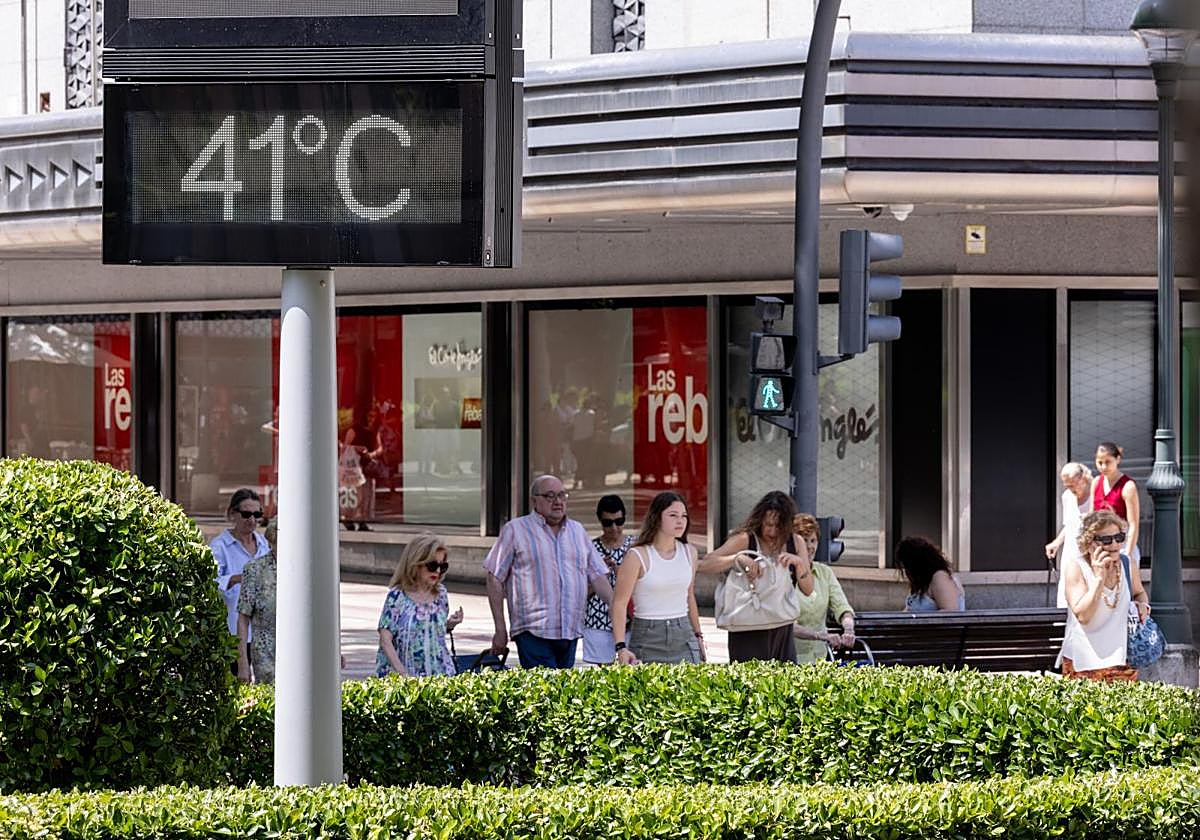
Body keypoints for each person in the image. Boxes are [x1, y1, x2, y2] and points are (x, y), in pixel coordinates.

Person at [484, 475, 615, 669]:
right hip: (533, 630)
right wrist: (500, 629)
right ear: (534, 500)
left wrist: (616, 606)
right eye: (550, 496)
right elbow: (494, 576)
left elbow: (597, 575)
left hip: (569, 631)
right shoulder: (516, 530)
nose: (558, 502)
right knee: (546, 694)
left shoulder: (577, 531)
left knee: (561, 695)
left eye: (562, 495)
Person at [697, 490, 808, 663]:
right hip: (746, 625)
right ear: (759, 520)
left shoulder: (796, 542)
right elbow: (705, 564)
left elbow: (808, 589)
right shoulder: (745, 539)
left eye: (777, 526)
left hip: (782, 626)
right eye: (767, 524)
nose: (771, 531)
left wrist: (800, 563)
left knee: (786, 685)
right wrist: (737, 558)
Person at [612, 492, 704, 665]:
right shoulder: (637, 556)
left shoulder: (689, 552)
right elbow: (619, 603)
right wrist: (621, 647)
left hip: (683, 633)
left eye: (684, 516)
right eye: (673, 515)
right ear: (657, 517)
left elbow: (689, 595)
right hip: (647, 635)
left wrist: (698, 635)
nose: (680, 520)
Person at [1057, 509, 1149, 681]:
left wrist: (1143, 605)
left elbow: (1139, 593)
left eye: (1119, 538)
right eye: (1106, 540)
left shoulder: (1128, 564)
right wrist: (1099, 579)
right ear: (1089, 542)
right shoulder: (1076, 568)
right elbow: (1084, 616)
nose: (1114, 545)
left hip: (1122, 661)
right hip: (1083, 662)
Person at [376, 533, 464, 677]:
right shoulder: (397, 596)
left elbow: (430, 632)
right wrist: (403, 675)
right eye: (432, 565)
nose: (437, 571)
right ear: (415, 564)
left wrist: (449, 625)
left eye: (442, 566)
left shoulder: (441, 594)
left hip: (439, 676)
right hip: (405, 678)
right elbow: (385, 640)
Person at [211, 489, 271, 671]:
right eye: (246, 514)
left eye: (257, 514)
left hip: (263, 630)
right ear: (232, 514)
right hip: (232, 630)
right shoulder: (220, 546)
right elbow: (212, 583)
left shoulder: (265, 544)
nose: (252, 520)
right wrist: (238, 579)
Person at [791, 513, 856, 663]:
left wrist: (849, 630)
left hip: (821, 659)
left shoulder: (825, 572)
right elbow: (787, 625)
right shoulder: (785, 574)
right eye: (804, 541)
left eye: (813, 541)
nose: (809, 547)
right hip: (792, 660)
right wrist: (819, 635)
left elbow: (842, 607)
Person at [583, 494, 634, 665]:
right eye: (607, 523)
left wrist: (623, 573)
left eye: (619, 522)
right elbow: (581, 591)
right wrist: (599, 576)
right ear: (600, 521)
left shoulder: (635, 547)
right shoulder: (591, 548)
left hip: (629, 620)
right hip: (598, 621)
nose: (614, 528)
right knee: (604, 677)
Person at [1044, 462, 1093, 608]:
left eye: (1073, 485)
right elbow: (1069, 524)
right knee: (1067, 586)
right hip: (1071, 549)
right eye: (1067, 485)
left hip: (1089, 549)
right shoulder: (1067, 496)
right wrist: (1057, 542)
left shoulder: (1095, 494)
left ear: (1083, 478)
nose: (1070, 489)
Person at [237, 519, 278, 684]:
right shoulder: (254, 569)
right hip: (266, 658)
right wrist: (243, 665)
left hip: (303, 654)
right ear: (271, 542)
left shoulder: (306, 570)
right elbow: (242, 619)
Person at [1092, 441, 1140, 566]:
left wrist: (1127, 556)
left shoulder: (1128, 486)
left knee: (1125, 584)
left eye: (1108, 462)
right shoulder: (1096, 482)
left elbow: (1133, 524)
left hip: (1121, 542)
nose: (1103, 467)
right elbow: (1091, 518)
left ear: (1117, 459)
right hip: (1101, 545)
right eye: (1100, 462)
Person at [895, 536, 965, 611]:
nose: (907, 571)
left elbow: (950, 612)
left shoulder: (940, 578)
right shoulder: (922, 583)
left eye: (907, 566)